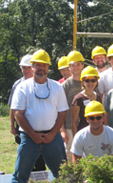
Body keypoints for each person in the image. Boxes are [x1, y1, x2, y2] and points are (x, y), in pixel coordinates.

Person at [11, 49, 68, 183]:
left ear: (48, 67)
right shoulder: (22, 87)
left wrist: (53, 133)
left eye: (44, 65)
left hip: (53, 138)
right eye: (38, 64)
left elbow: (62, 112)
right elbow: (18, 114)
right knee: (20, 176)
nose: (41, 68)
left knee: (64, 175)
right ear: (32, 67)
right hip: (29, 138)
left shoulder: (57, 87)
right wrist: (33, 135)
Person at [8, 54, 46, 172]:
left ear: (33, 68)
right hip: (22, 127)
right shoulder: (17, 84)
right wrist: (12, 125)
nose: (26, 70)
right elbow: (13, 107)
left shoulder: (41, 83)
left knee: (40, 156)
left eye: (28, 67)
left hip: (38, 126)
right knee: (25, 155)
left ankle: (40, 177)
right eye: (23, 68)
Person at [61, 50, 86, 159]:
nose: (75, 68)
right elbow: (59, 109)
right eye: (72, 65)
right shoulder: (65, 86)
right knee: (70, 155)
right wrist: (62, 130)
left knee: (87, 154)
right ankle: (73, 176)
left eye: (78, 65)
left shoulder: (89, 81)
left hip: (87, 126)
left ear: (82, 65)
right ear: (69, 67)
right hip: (69, 127)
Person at [71, 66, 102, 136]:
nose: (90, 83)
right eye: (87, 80)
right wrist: (75, 139)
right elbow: (74, 122)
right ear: (82, 82)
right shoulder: (78, 99)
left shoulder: (98, 97)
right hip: (83, 134)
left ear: (96, 82)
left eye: (93, 80)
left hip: (97, 134)